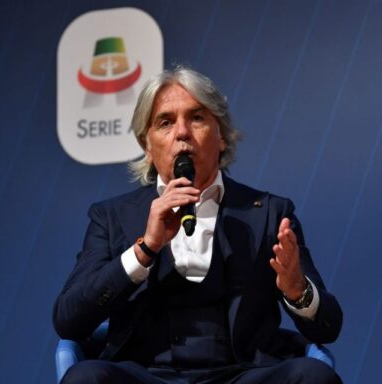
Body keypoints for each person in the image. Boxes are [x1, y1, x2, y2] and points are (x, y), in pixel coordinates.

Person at [53, 66, 343, 383]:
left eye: (197, 118)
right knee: (86, 378)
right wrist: (144, 249)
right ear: (147, 146)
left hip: (242, 375)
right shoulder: (111, 216)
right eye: (165, 122)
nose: (182, 133)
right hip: (147, 375)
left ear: (221, 136)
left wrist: (297, 291)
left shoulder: (271, 212)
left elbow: (328, 327)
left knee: (314, 376)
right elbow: (69, 321)